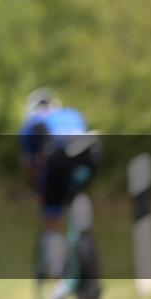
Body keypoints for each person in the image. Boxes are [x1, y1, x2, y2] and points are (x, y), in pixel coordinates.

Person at [19, 88, 100, 286]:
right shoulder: (73, 114)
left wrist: (39, 190)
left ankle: (56, 270)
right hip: (92, 151)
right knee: (78, 192)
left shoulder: (31, 124)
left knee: (52, 220)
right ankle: (82, 227)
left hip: (58, 157)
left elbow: (31, 166)